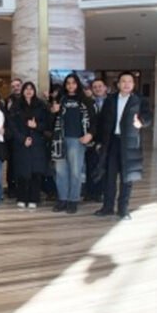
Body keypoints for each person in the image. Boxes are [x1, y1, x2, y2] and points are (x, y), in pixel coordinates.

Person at [94, 72, 152, 220]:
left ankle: (123, 209)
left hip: (130, 144)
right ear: (118, 84)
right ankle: (107, 207)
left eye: (129, 81)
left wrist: (141, 122)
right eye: (123, 81)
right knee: (109, 177)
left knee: (127, 178)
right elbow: (102, 121)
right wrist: (99, 141)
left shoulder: (140, 100)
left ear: (133, 84)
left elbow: (148, 117)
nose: (126, 84)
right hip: (112, 142)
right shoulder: (110, 99)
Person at [50, 73, 96, 214]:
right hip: (60, 139)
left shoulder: (85, 100)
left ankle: (73, 200)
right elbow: (51, 121)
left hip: (77, 140)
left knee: (75, 171)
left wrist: (90, 134)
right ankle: (62, 199)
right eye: (68, 83)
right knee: (60, 171)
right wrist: (53, 111)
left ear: (78, 84)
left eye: (73, 83)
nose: (71, 85)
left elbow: (94, 120)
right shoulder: (60, 99)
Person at [8, 82, 48, 209]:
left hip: (37, 143)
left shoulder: (41, 105)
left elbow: (47, 124)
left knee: (36, 172)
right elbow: (12, 126)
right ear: (23, 91)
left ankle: (34, 198)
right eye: (26, 89)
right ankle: (21, 197)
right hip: (21, 143)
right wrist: (22, 139)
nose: (29, 91)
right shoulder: (16, 106)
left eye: (31, 89)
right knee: (22, 172)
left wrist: (36, 126)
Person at [84, 78, 108, 202]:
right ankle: (90, 192)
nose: (98, 89)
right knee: (90, 165)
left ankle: (100, 193)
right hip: (91, 138)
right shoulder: (89, 102)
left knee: (103, 167)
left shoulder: (111, 102)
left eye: (100, 86)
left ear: (105, 88)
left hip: (106, 139)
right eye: (95, 87)